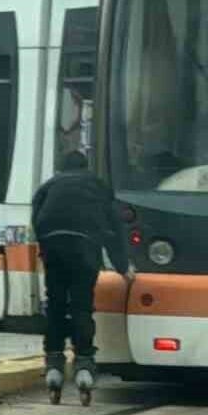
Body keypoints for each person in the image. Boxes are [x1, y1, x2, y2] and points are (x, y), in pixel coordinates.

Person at [31, 151, 135, 398]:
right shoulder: (98, 186)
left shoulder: (47, 186)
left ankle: (54, 362)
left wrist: (47, 250)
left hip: (53, 245)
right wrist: (123, 267)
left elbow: (37, 221)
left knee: (55, 303)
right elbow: (113, 229)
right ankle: (84, 363)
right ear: (86, 167)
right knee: (81, 304)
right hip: (84, 248)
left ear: (60, 168)